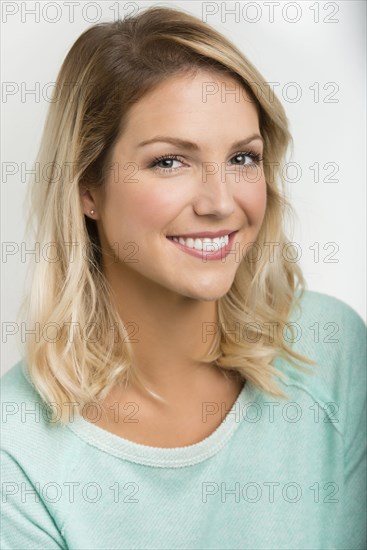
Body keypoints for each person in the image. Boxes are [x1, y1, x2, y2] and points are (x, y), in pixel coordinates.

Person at [1, 5, 366, 549]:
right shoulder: (18, 456)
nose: (221, 202)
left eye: (243, 158)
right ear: (87, 187)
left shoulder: (332, 349)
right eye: (170, 161)